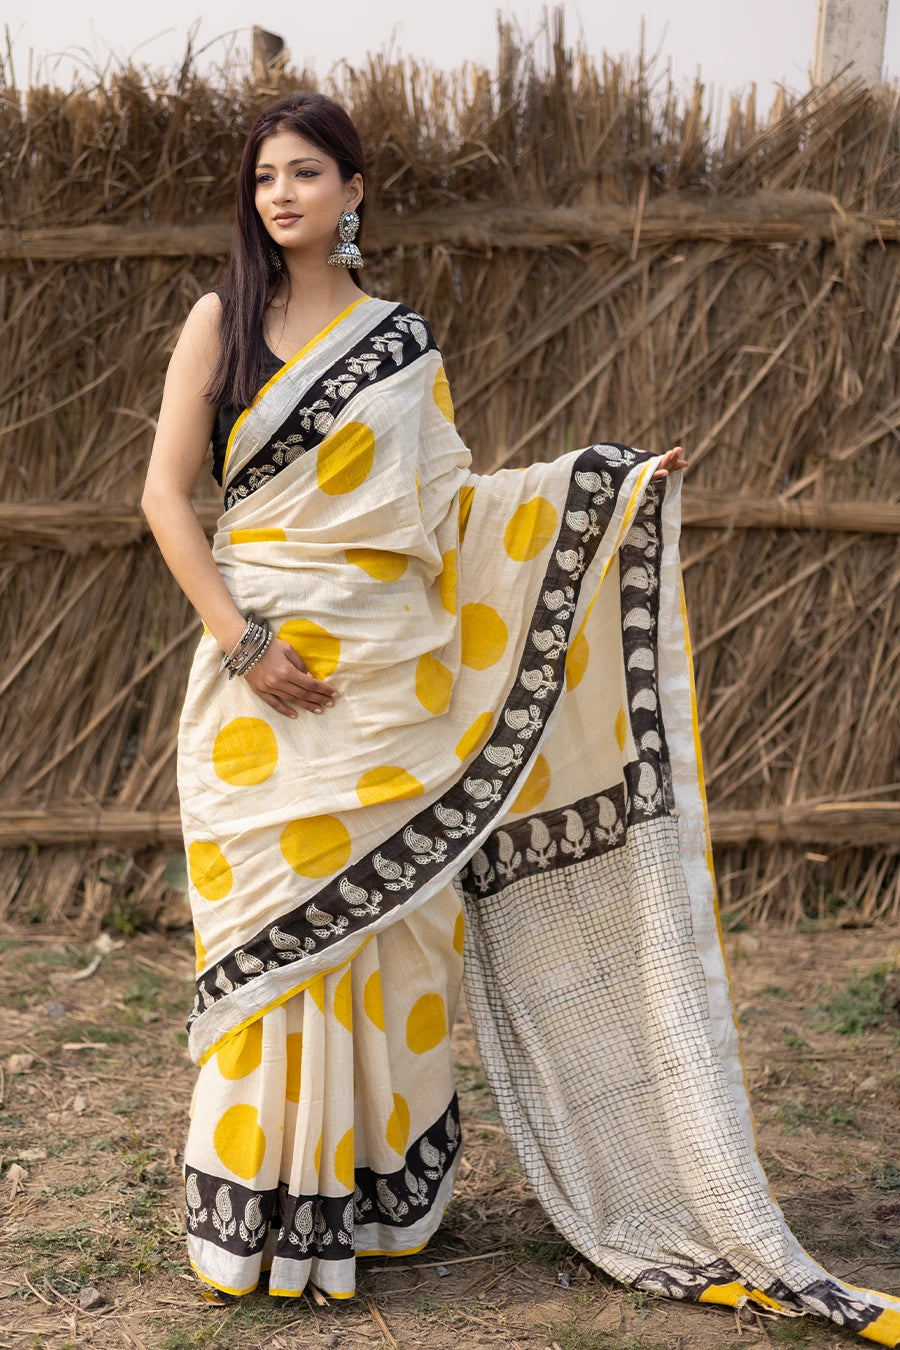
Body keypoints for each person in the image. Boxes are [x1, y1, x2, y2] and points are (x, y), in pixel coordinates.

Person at [141, 92, 900, 1344]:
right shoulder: (220, 322)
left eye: (308, 173)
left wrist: (602, 493)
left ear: (355, 190)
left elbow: (458, 517)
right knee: (272, 942)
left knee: (393, 941)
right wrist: (247, 641)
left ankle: (370, 1204)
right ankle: (265, 1207)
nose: (283, 195)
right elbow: (170, 500)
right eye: (267, 175)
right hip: (256, 691)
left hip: (388, 681)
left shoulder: (400, 345)